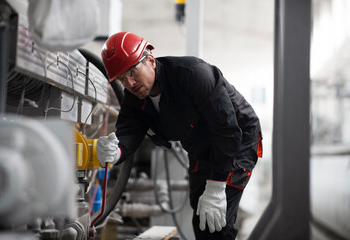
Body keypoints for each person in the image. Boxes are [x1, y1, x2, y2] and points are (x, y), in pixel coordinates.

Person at [96, 31, 262, 240]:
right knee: (202, 217)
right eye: (121, 79)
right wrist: (116, 150)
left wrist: (217, 185)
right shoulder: (134, 98)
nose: (129, 84)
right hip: (200, 145)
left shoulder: (193, 74)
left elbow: (227, 130)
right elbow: (129, 130)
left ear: (150, 61)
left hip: (238, 141)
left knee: (216, 223)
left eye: (132, 72)